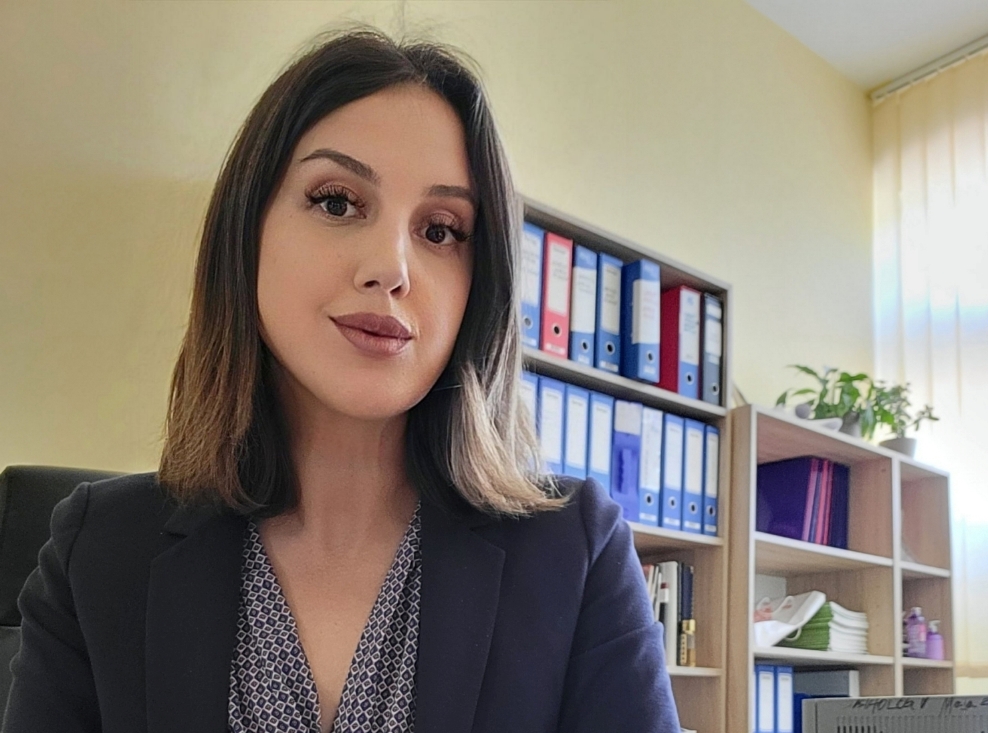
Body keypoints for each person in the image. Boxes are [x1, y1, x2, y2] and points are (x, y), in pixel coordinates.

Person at [3, 28, 679, 733]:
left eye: (441, 230)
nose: (391, 268)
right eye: (336, 202)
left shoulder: (575, 553)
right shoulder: (99, 550)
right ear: (248, 228)